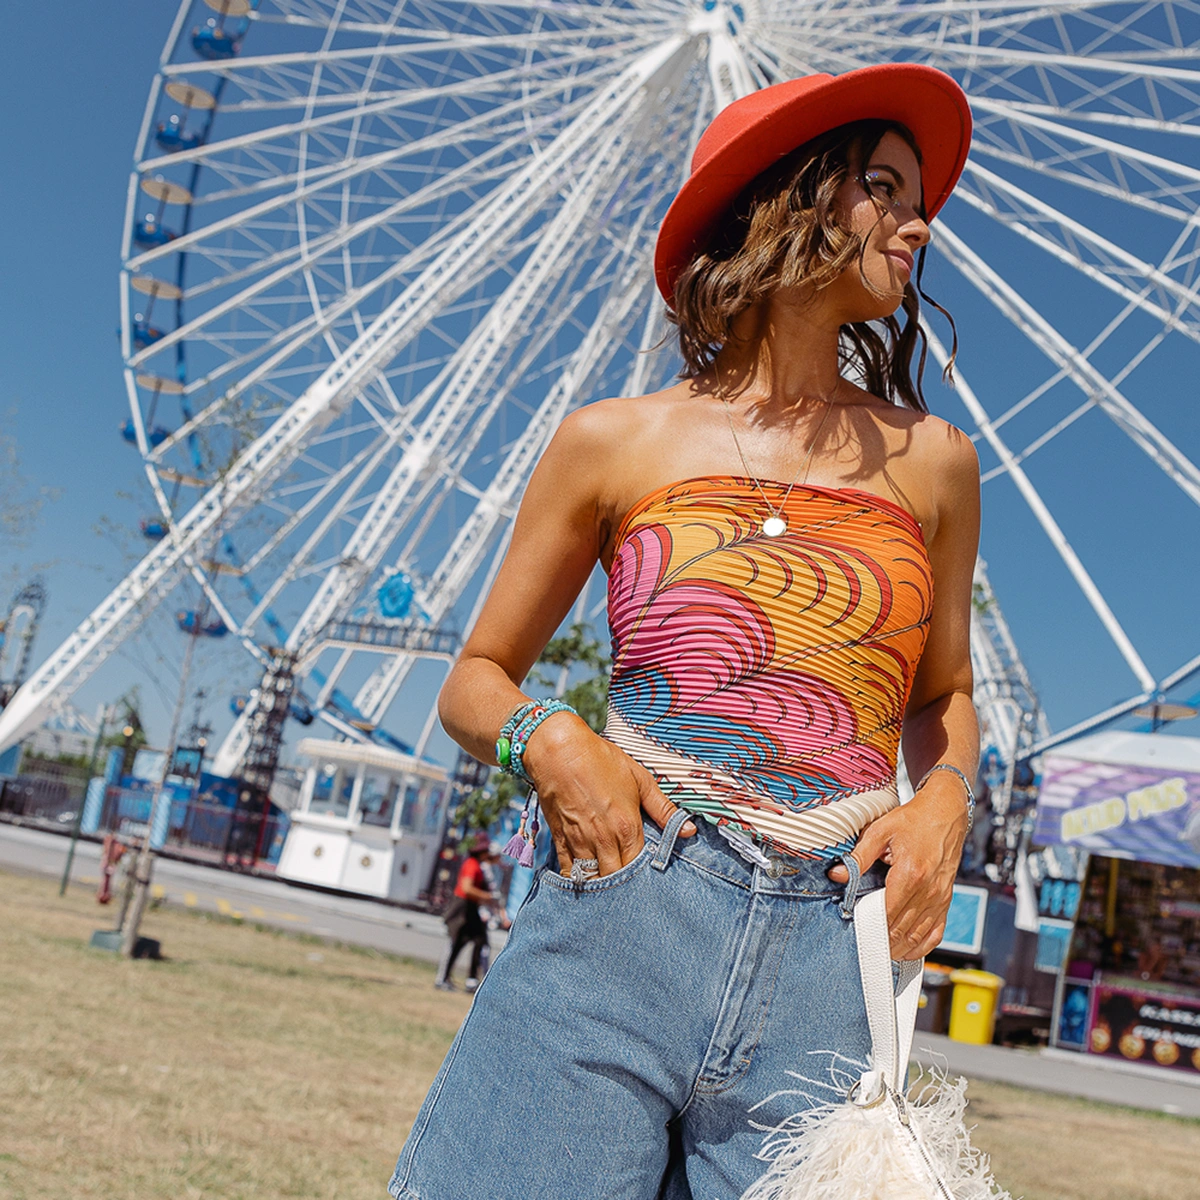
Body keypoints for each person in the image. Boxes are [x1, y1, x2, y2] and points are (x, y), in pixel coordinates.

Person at [390, 62, 980, 1199]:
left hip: (827, 953)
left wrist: (947, 800)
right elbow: (475, 679)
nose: (920, 224)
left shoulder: (938, 464)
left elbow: (942, 691)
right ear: (787, 198)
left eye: (919, 201)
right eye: (884, 187)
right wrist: (552, 742)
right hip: (624, 910)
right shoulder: (612, 441)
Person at [434, 832, 500, 992]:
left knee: (479, 940)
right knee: (456, 942)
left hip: (471, 908)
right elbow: (466, 888)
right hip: (461, 908)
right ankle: (442, 978)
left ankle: (472, 979)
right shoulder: (472, 864)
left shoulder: (479, 866)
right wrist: (486, 897)